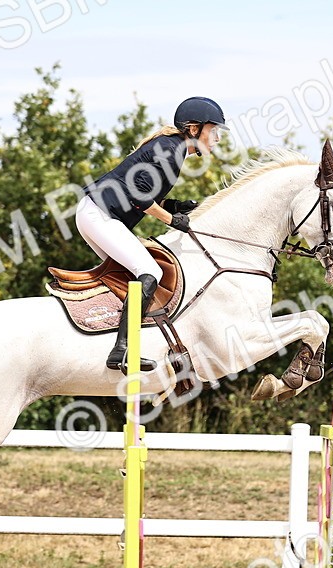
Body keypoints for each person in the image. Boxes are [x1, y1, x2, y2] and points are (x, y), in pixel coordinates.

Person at [76, 96, 227, 372]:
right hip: (99, 213)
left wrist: (177, 206)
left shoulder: (172, 149)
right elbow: (140, 198)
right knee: (150, 272)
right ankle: (121, 350)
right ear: (194, 129)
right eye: (212, 130)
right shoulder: (170, 150)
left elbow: (146, 194)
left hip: (96, 212)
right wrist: (173, 220)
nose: (217, 137)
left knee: (132, 275)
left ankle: (107, 337)